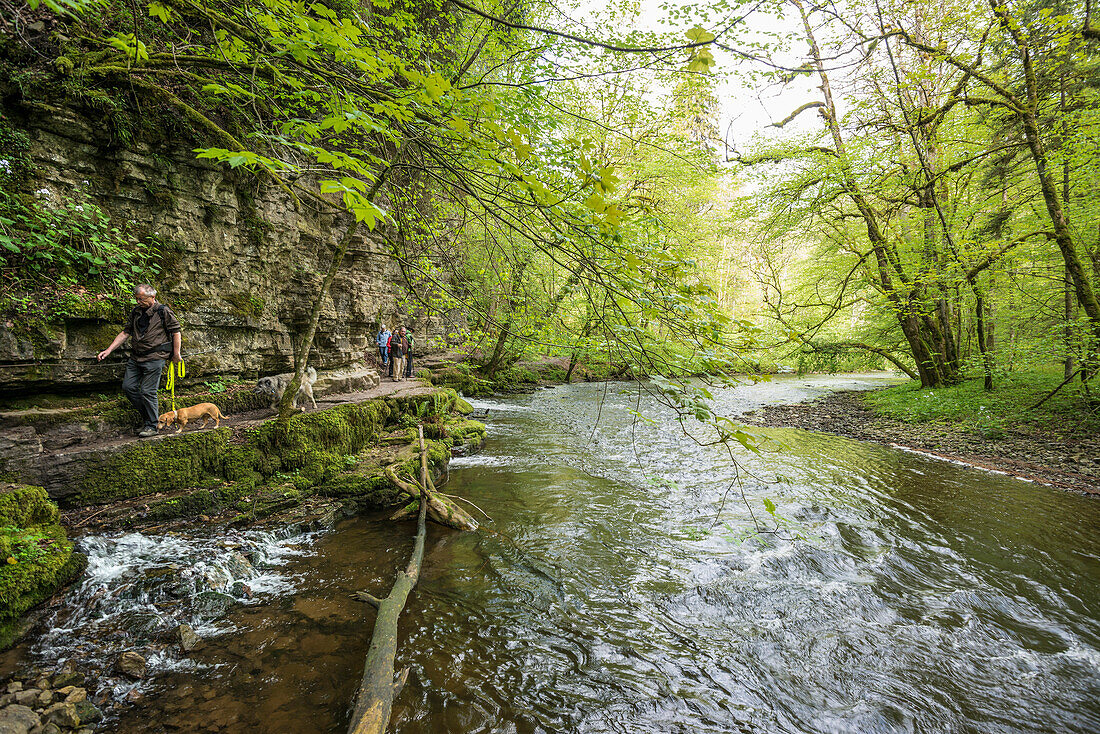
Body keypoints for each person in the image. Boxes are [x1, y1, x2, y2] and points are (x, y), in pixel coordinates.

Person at [97, 284, 182, 437]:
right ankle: (150, 419)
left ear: (152, 297)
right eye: (136, 299)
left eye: (141, 299)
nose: (138, 302)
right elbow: (125, 333)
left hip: (155, 357)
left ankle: (152, 426)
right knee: (128, 387)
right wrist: (108, 350)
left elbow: (176, 331)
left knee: (147, 391)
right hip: (136, 357)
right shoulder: (136, 312)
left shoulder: (163, 311)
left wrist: (176, 354)